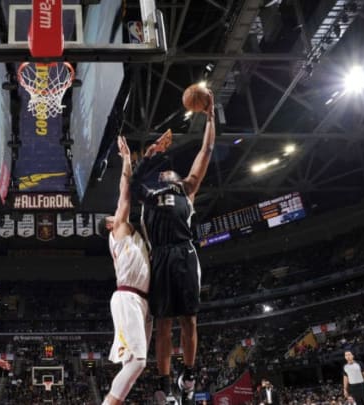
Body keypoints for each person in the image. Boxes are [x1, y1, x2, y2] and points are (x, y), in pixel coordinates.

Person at [130, 90, 215, 405]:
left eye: (170, 170)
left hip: (185, 252)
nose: (166, 172)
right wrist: (150, 155)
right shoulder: (149, 195)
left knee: (189, 320)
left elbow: (206, 149)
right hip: (161, 255)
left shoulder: (187, 190)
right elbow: (132, 184)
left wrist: (211, 117)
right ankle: (165, 384)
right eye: (162, 171)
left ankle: (189, 373)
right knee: (164, 324)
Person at [97, 135, 152, 405]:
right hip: (128, 297)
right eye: (113, 216)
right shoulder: (118, 230)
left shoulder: (129, 234)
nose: (117, 214)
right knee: (139, 361)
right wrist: (127, 161)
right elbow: (125, 193)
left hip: (140, 300)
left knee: (132, 362)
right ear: (109, 226)